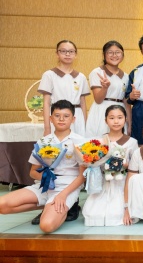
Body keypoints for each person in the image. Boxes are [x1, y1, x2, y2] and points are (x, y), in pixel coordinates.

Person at [0, 100, 85, 233]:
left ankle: (67, 205)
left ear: (73, 119)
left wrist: (62, 195)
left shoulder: (80, 142)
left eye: (66, 116)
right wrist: (46, 178)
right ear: (50, 118)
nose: (61, 119)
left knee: (46, 226)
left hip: (66, 187)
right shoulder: (44, 141)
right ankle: (47, 205)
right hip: (45, 185)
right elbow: (33, 172)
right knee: (2, 205)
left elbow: (82, 176)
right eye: (57, 115)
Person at [82, 105, 138, 226]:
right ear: (105, 120)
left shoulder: (132, 142)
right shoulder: (98, 141)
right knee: (93, 214)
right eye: (112, 118)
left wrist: (124, 165)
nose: (116, 121)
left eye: (120, 117)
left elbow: (134, 168)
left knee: (116, 214)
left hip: (121, 182)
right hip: (102, 181)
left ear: (125, 119)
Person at [39, 39, 90, 137]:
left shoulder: (81, 77)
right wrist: (47, 128)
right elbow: (46, 103)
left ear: (75, 54)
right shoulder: (49, 75)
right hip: (58, 117)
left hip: (77, 117)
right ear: (57, 54)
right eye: (63, 51)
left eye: (71, 51)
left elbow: (83, 103)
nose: (67, 54)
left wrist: (85, 125)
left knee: (78, 144)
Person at [86, 41, 129, 137]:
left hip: (120, 112)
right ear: (104, 55)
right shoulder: (97, 72)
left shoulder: (126, 76)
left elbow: (126, 102)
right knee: (100, 141)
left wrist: (129, 123)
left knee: (119, 142)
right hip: (102, 111)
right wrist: (105, 88)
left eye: (118, 52)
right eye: (110, 52)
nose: (114, 55)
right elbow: (98, 100)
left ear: (123, 55)